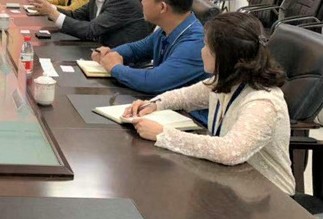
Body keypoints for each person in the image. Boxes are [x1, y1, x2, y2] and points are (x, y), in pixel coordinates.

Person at [125, 12, 294, 194]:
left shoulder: (263, 102)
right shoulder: (225, 81)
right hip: (229, 182)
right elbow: (184, 97)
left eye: (206, 46)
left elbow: (230, 151)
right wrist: (153, 104)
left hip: (270, 196)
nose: (201, 51)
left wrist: (163, 134)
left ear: (224, 56)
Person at [90, 0, 208, 95]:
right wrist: (109, 54)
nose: (141, 2)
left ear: (162, 7)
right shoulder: (166, 29)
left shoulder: (195, 44)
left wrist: (115, 68)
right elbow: (135, 49)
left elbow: (154, 82)